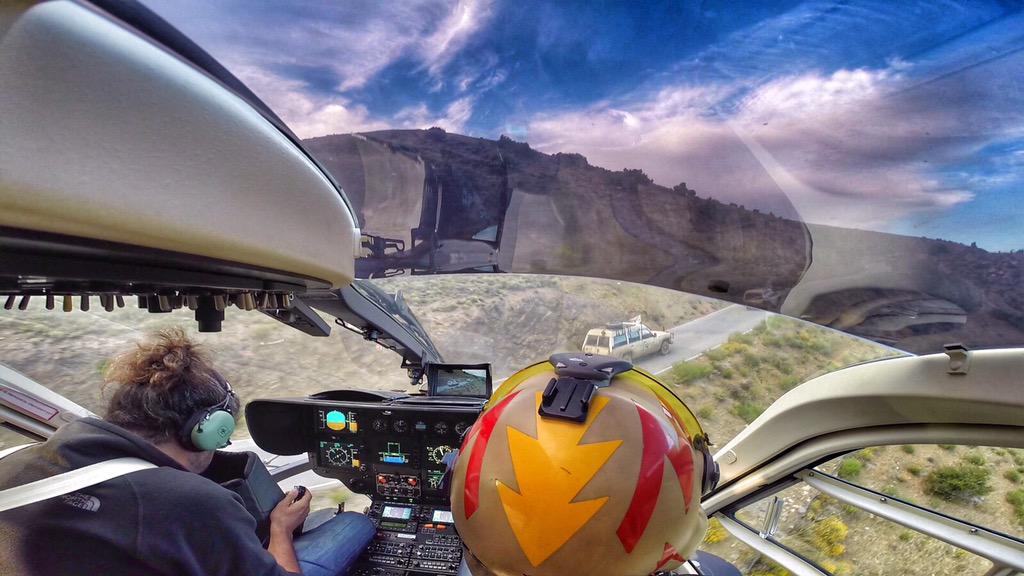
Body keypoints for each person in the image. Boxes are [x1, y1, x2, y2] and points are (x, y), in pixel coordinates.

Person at [0, 328, 374, 575]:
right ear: (209, 430)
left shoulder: (11, 462)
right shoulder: (190, 502)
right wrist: (280, 529)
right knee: (356, 524)